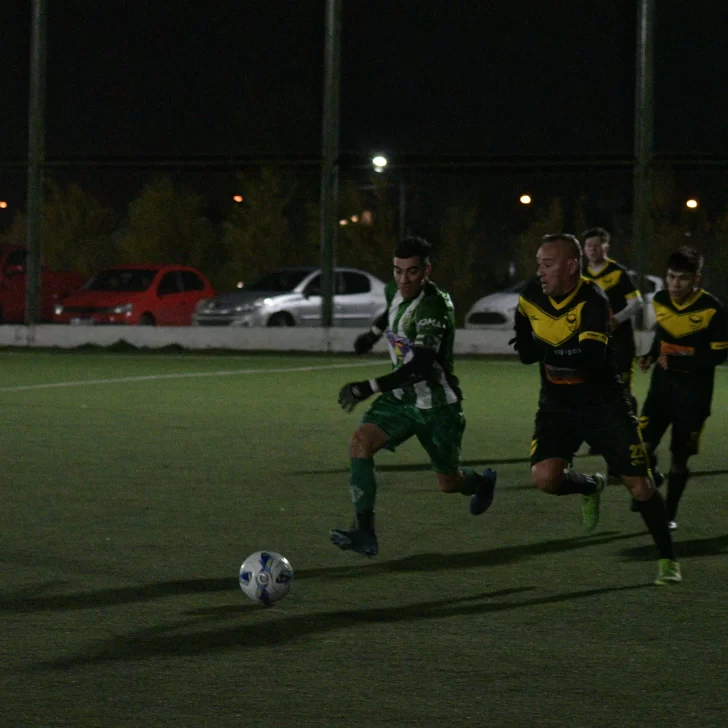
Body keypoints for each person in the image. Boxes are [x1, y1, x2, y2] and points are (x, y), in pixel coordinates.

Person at [511, 233, 681, 585]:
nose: (540, 271)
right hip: (557, 406)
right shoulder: (529, 296)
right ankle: (591, 485)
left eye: (548, 264)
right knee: (545, 479)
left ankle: (668, 558)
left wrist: (545, 351)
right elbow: (525, 351)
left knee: (639, 485)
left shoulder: (593, 300)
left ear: (572, 266)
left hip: (604, 405)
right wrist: (542, 349)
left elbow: (587, 360)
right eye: (539, 264)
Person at [330, 236, 497, 557]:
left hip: (438, 406)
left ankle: (481, 482)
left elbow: (420, 366)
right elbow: (389, 309)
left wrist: (368, 386)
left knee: (448, 483)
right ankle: (365, 532)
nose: (404, 280)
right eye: (398, 271)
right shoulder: (394, 289)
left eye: (412, 272)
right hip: (402, 398)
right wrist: (372, 334)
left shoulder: (435, 306)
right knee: (359, 442)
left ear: (427, 271)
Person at [636, 246, 728, 529]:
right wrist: (651, 354)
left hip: (693, 398)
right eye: (671, 277)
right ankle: (651, 487)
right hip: (661, 391)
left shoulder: (712, 309)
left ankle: (669, 513)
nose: (675, 284)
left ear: (696, 279)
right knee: (642, 450)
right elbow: (663, 335)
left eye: (683, 278)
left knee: (679, 459)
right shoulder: (660, 300)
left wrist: (679, 359)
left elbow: (718, 356)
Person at [581, 227, 644, 413]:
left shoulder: (618, 273)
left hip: (620, 341)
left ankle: (630, 424)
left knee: (622, 388)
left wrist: (616, 319)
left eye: (597, 245)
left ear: (606, 247)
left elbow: (637, 302)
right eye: (588, 245)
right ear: (584, 249)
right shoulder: (580, 276)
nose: (592, 249)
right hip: (593, 342)